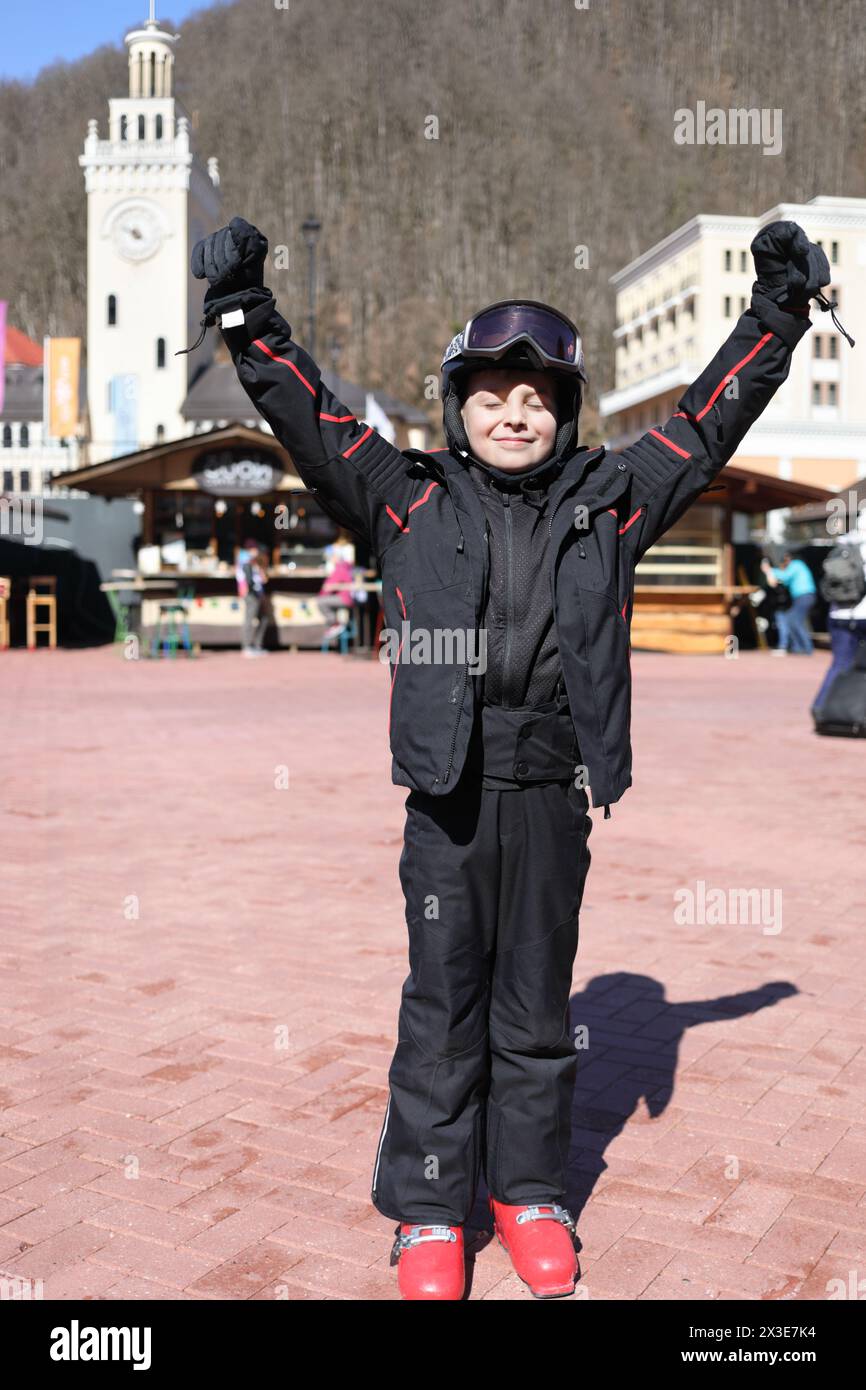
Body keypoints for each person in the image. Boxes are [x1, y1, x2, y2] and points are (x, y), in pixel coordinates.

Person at [192, 215, 830, 1300]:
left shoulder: (614, 500)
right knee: (443, 1002)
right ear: (457, 406)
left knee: (535, 1001)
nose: (513, 412)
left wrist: (773, 312)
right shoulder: (403, 492)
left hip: (549, 787)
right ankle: (431, 1208)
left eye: (535, 397)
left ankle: (526, 1190)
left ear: (563, 413)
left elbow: (706, 422)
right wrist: (249, 312)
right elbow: (309, 414)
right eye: (490, 393)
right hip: (447, 790)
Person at [813, 527, 866, 712]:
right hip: (863, 613)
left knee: (839, 663)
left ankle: (821, 707)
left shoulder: (842, 545)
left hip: (838, 613)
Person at [761, 549, 817, 654]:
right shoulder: (797, 567)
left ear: (788, 558)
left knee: (794, 621)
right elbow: (781, 581)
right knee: (792, 620)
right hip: (803, 597)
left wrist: (770, 570)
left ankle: (806, 648)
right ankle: (799, 647)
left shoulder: (796, 564)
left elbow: (784, 575)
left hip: (804, 596)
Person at [235, 538, 271, 656]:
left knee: (264, 618)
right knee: (249, 619)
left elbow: (263, 579)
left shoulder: (256, 562)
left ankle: (257, 645)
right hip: (250, 594)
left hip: (258, 593)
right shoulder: (244, 558)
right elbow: (247, 579)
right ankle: (247, 647)